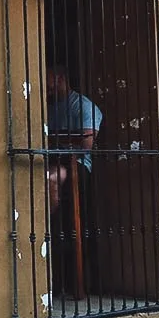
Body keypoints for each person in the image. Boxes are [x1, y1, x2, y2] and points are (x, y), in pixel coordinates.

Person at [46, 65, 102, 212]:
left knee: (51, 177)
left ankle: (49, 222)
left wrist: (53, 138)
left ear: (61, 79)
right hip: (50, 158)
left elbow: (86, 143)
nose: (45, 86)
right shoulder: (48, 106)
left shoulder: (83, 106)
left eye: (48, 80)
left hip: (75, 162)